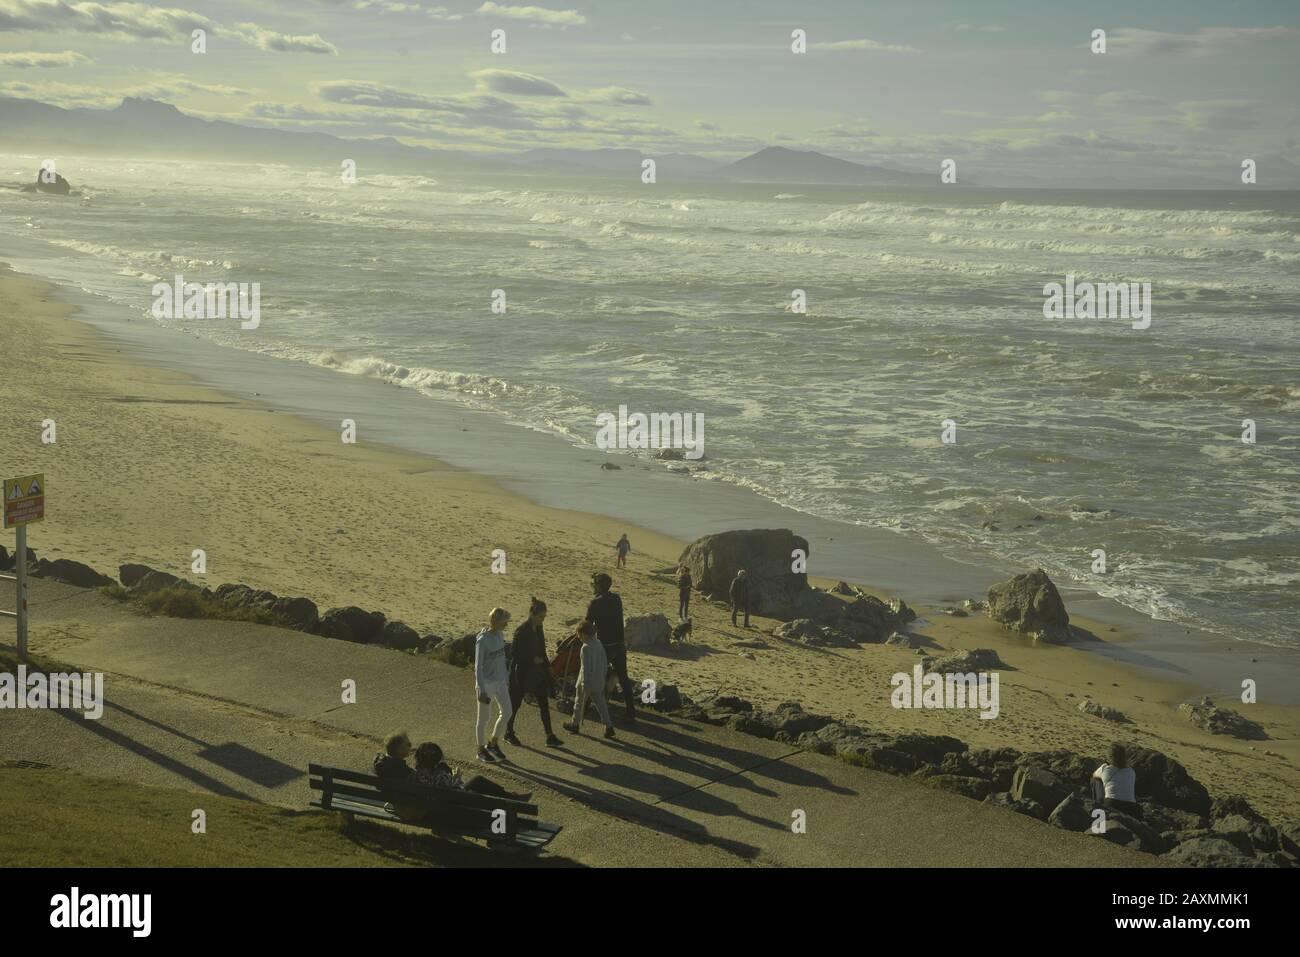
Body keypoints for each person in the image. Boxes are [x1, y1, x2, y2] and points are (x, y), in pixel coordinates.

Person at [505, 597, 563, 748]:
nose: (542, 620)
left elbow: (542, 649)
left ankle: (549, 735)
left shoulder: (539, 628)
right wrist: (532, 659)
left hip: (537, 672)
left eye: (544, 617)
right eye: (540, 617)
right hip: (520, 673)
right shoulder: (521, 630)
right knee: (515, 704)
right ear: (532, 614)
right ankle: (508, 732)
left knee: (544, 703)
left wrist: (546, 665)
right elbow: (514, 654)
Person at [586, 571, 636, 723]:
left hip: (606, 646)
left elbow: (588, 625)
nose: (592, 587)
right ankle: (630, 712)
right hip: (619, 644)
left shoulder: (595, 603)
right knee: (624, 679)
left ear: (599, 586)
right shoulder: (616, 599)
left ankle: (584, 708)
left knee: (596, 675)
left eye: (593, 584)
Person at [413, 742, 531, 803]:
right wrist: (457, 776)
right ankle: (510, 797)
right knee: (477, 781)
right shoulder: (439, 775)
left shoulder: (417, 774)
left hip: (435, 808)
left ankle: (509, 796)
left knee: (475, 783)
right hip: (454, 804)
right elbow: (453, 789)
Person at [474, 607, 513, 763]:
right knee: (483, 718)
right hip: (486, 684)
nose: (506, 625)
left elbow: (501, 659)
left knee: (507, 712)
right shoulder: (482, 640)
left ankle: (493, 743)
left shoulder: (499, 636)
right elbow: (477, 667)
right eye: (505, 622)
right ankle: (480, 749)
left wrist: (506, 678)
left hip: (500, 681)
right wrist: (481, 690)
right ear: (496, 621)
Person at [563, 621, 615, 739]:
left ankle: (575, 724)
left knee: (579, 702)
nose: (578, 637)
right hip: (598, 680)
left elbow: (587, 668)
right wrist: (602, 676)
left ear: (585, 634)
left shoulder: (585, 648)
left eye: (579, 635)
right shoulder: (598, 643)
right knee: (601, 704)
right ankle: (608, 726)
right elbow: (604, 662)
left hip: (586, 682)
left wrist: (584, 684)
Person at [1091, 742, 1143, 819]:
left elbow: (1094, 775)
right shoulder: (1131, 771)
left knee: (1095, 780)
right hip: (1131, 807)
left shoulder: (1105, 768)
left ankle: (1097, 807)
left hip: (1112, 803)